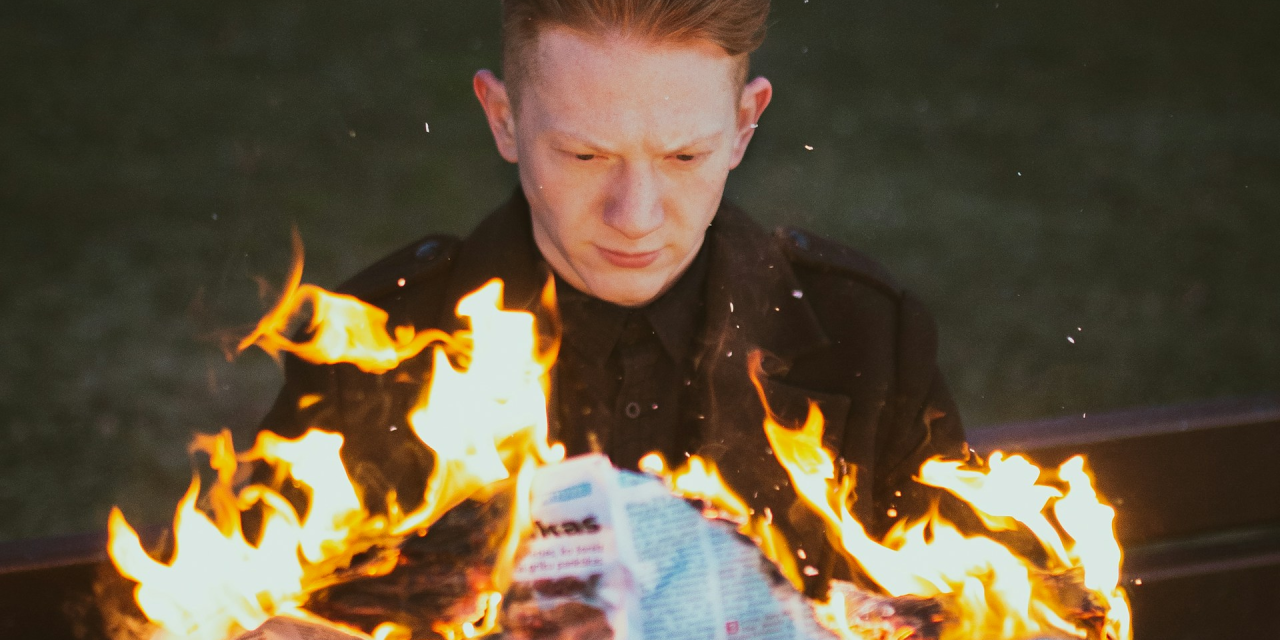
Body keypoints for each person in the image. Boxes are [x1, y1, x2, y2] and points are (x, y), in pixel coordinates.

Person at [260, 0, 969, 596]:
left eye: (683, 157)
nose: (636, 216)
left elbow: (973, 598)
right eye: (585, 156)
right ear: (503, 119)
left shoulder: (869, 339)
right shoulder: (365, 348)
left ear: (745, 125)